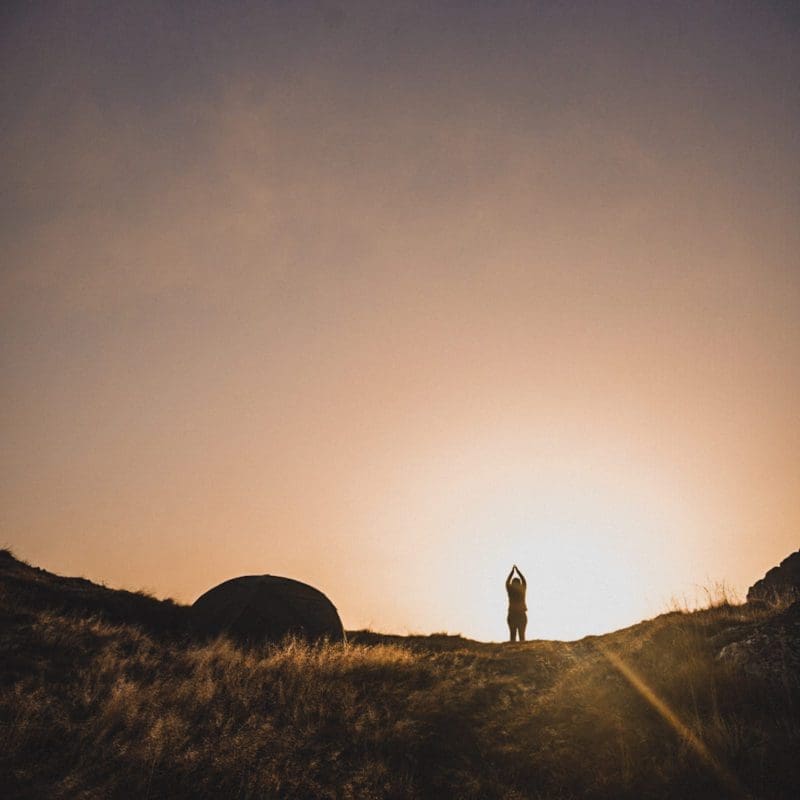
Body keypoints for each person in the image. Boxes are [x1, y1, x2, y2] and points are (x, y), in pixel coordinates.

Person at [505, 564, 527, 642]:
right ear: (519, 583)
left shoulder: (510, 590)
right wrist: (517, 571)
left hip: (512, 615)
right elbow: (524, 580)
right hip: (521, 615)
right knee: (522, 637)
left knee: (512, 636)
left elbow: (507, 582)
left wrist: (512, 572)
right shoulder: (522, 589)